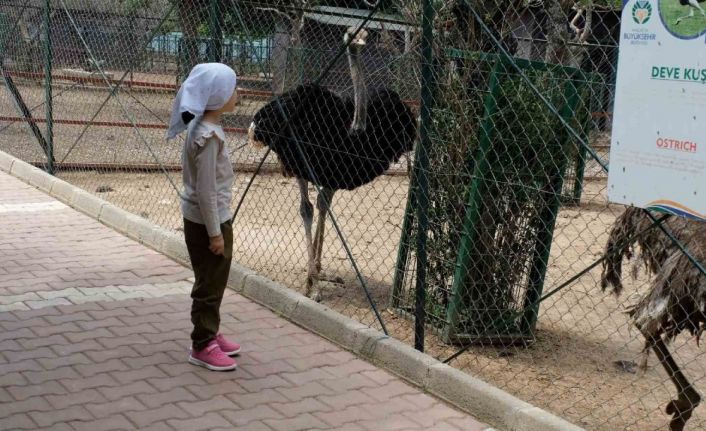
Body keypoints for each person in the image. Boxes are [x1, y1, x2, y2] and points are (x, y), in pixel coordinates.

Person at [166, 63, 240, 371]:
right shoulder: (207, 137)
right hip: (209, 220)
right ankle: (202, 343)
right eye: (233, 88)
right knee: (210, 281)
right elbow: (207, 191)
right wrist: (215, 234)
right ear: (218, 95)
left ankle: (211, 330)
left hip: (204, 217)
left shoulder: (200, 126)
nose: (238, 94)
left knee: (214, 279)